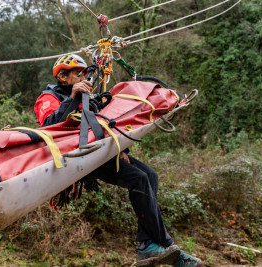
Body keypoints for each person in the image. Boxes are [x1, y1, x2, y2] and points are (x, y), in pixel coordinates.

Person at [34, 54, 203, 267]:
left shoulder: (88, 96)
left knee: (150, 176)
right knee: (138, 179)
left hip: (99, 150)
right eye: (77, 74)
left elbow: (103, 124)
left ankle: (148, 244)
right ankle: (163, 245)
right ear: (62, 77)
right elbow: (48, 127)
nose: (82, 78)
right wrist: (72, 99)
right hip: (75, 155)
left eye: (83, 74)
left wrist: (118, 148)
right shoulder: (49, 97)